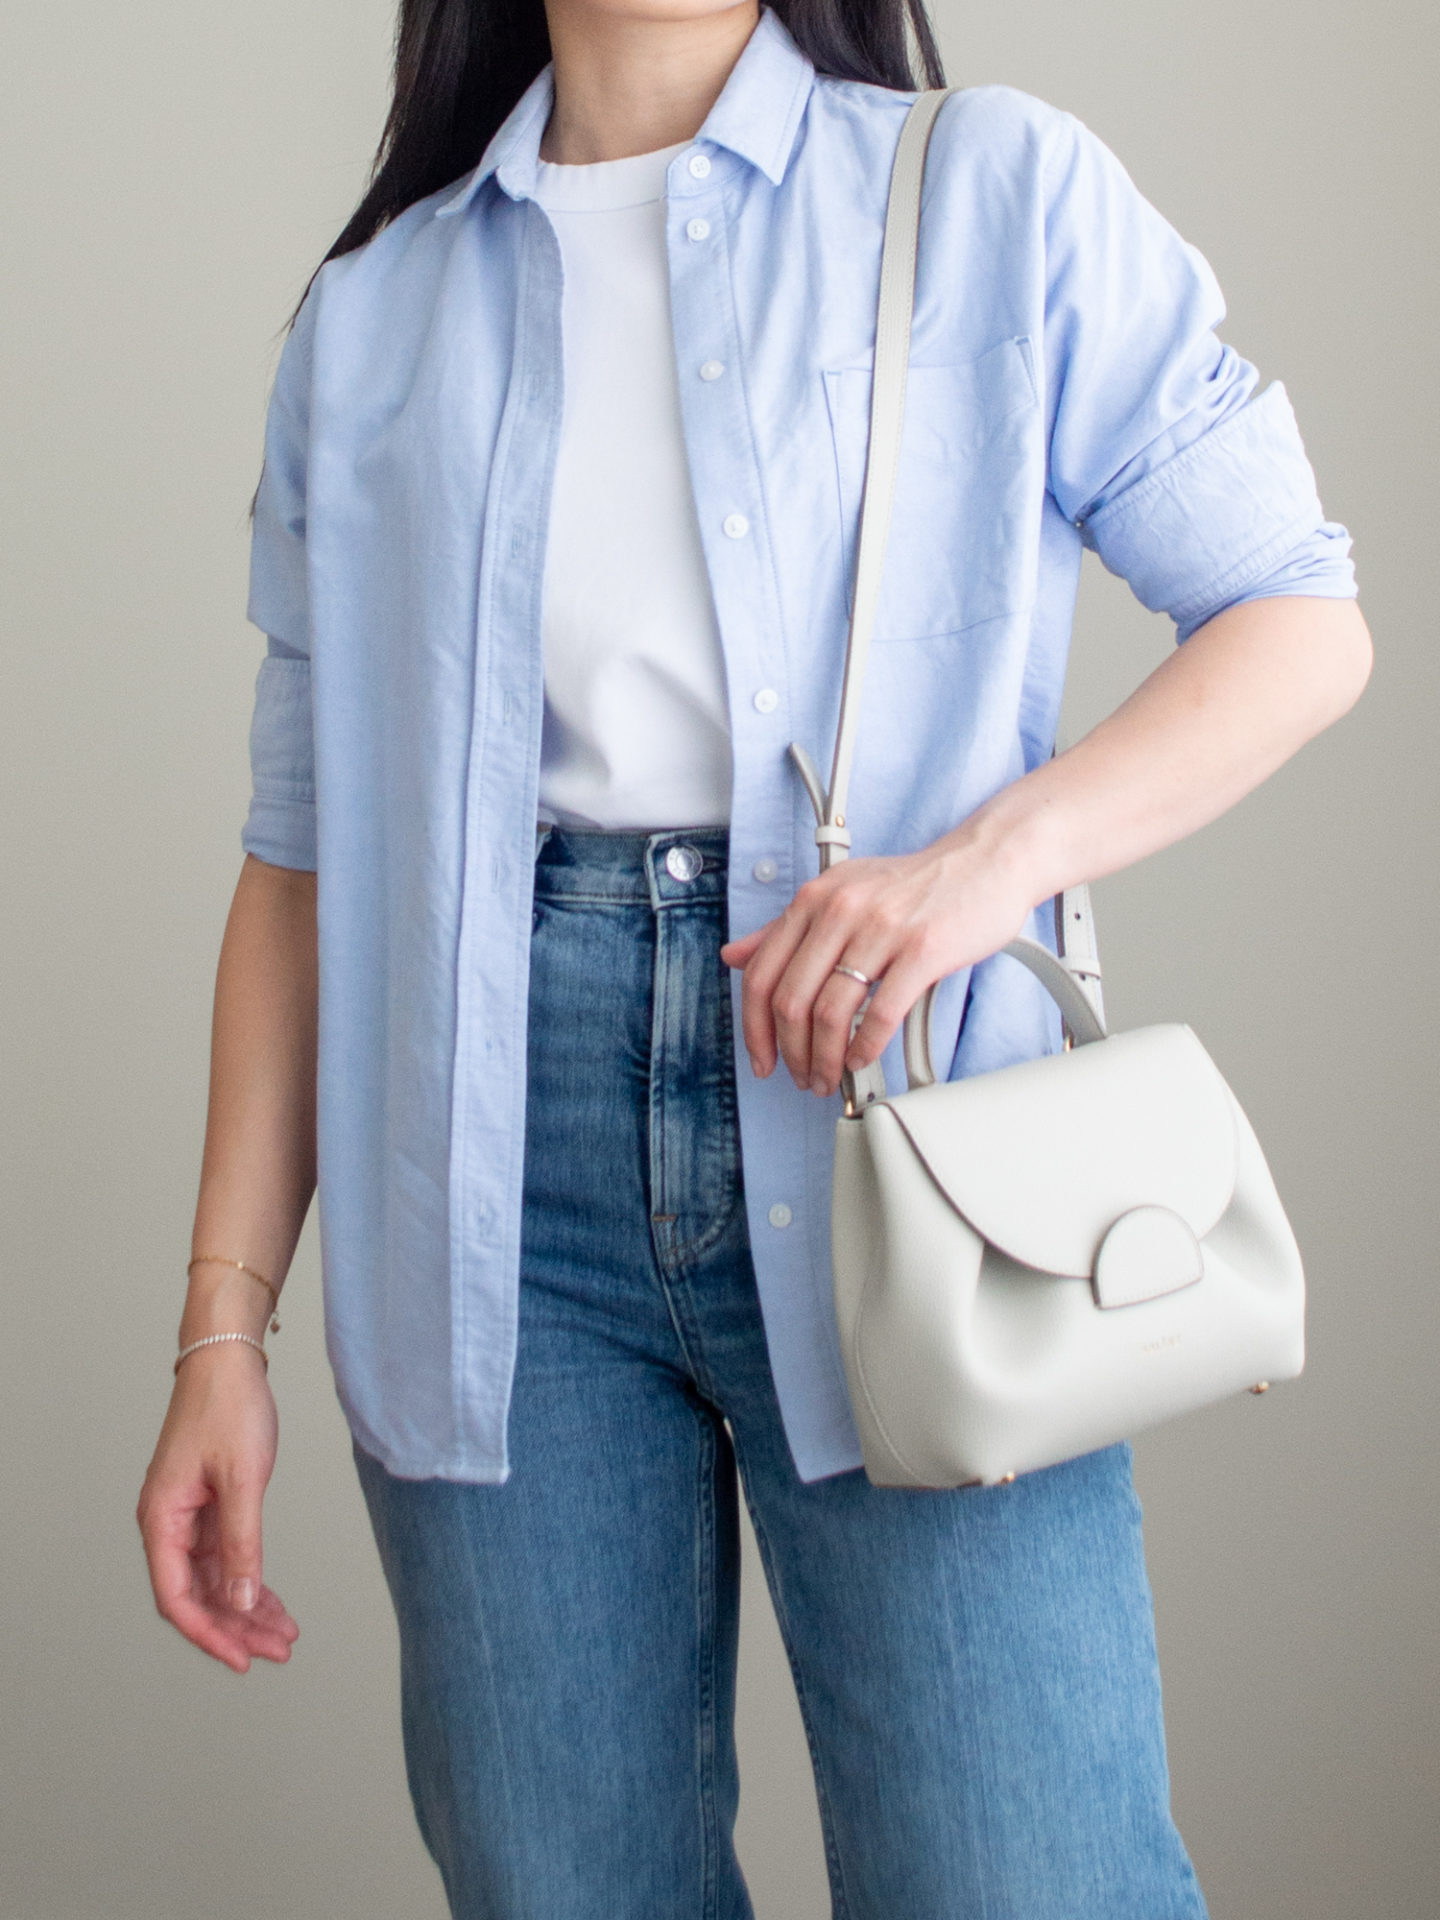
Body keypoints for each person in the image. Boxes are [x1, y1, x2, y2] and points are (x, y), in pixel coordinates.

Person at [137, 1, 1371, 1913]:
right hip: (481, 1190)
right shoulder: (372, 318)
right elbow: (297, 867)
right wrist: (225, 1327)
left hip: (909, 1131)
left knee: (1027, 1881)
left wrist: (979, 872)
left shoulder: (991, 193)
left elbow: (1299, 615)